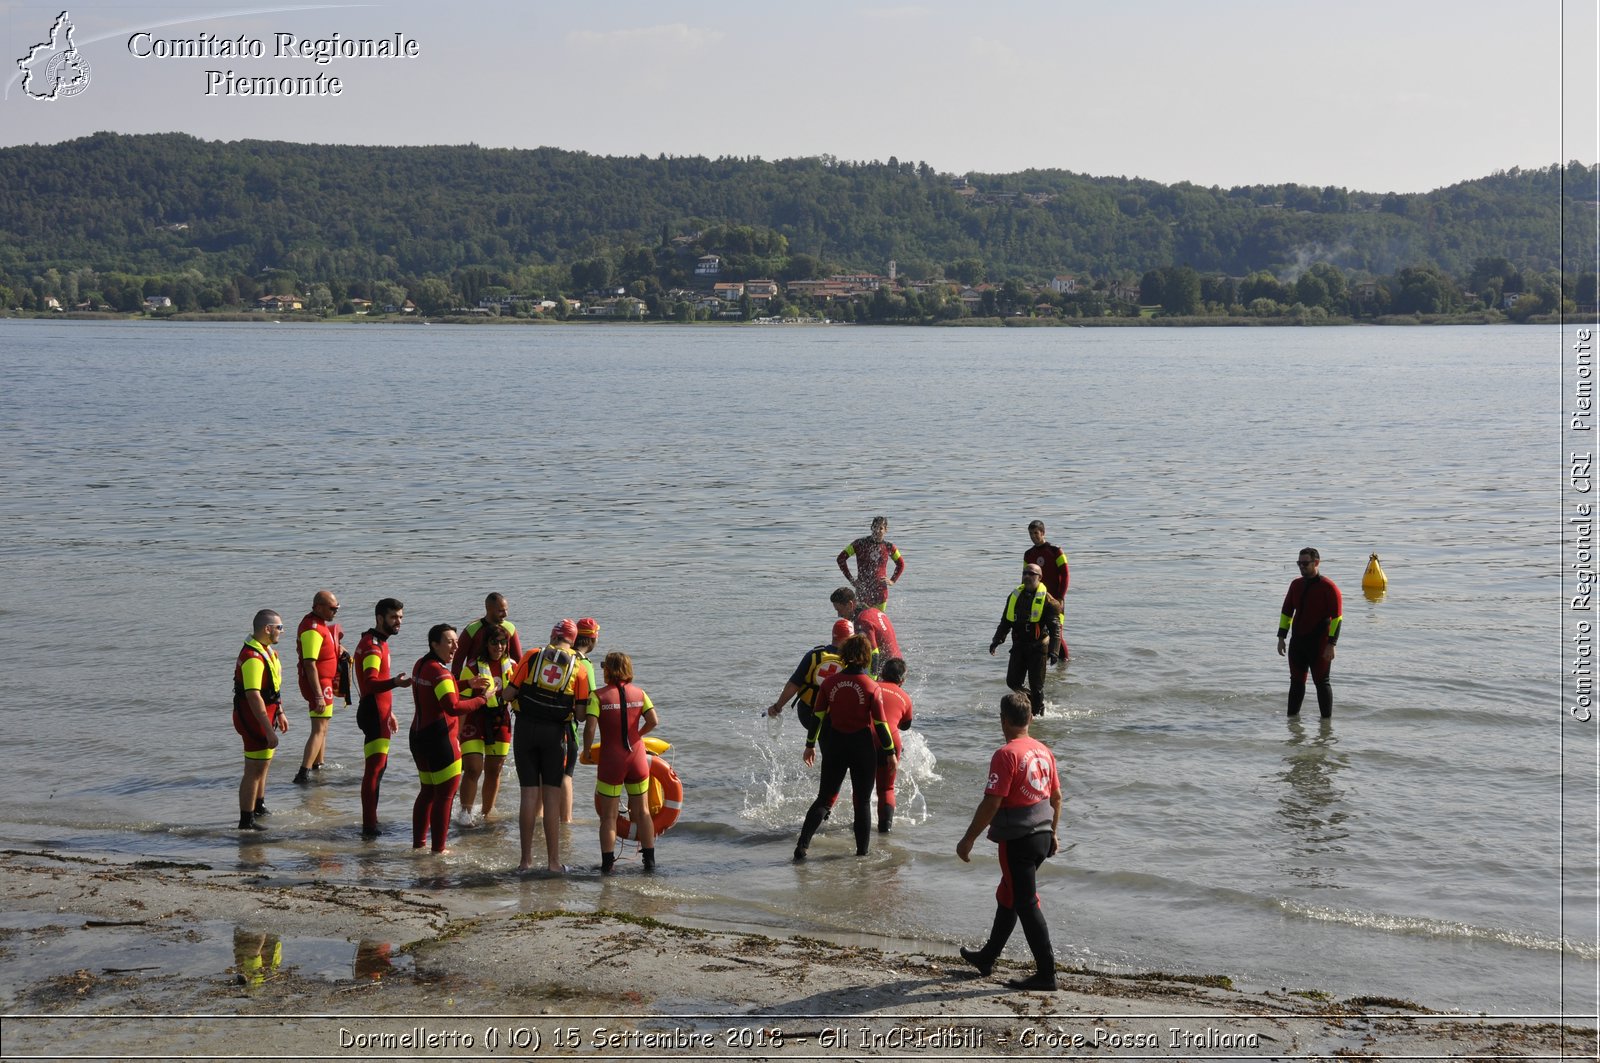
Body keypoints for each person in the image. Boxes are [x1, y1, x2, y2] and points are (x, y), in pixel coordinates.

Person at [956, 690, 1062, 992]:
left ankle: (1046, 974)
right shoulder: (1044, 750)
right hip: (1041, 835)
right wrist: (1053, 832)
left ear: (1003, 720)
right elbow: (1056, 797)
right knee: (1009, 895)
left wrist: (968, 839)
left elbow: (992, 802)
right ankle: (987, 957)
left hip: (1018, 840)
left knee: (1026, 903)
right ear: (1029, 719)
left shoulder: (1006, 754)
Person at [793, 634, 897, 861]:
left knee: (824, 798)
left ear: (844, 655)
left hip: (834, 745)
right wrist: (889, 752)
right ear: (867, 657)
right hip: (862, 748)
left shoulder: (829, 683)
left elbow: (817, 717)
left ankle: (802, 847)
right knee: (862, 802)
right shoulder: (871, 686)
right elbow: (880, 724)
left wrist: (810, 746)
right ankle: (862, 855)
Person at [506, 619, 593, 873]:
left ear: (553, 636)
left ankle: (525, 861)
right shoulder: (581, 668)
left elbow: (509, 695)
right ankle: (554, 863)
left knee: (528, 795)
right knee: (552, 798)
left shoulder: (532, 655)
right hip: (555, 735)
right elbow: (579, 714)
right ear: (573, 640)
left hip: (525, 731)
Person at [408, 623, 491, 853]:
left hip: (418, 738)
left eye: (456, 641)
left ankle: (418, 845)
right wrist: (483, 698)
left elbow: (440, 689)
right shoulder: (442, 672)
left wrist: (467, 683)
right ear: (434, 644)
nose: (456, 646)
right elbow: (453, 707)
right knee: (445, 795)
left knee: (427, 791)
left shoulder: (422, 665)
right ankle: (439, 850)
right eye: (449, 641)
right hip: (440, 740)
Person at [582, 651, 660, 874]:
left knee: (609, 816)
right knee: (643, 812)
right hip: (636, 757)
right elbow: (654, 720)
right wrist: (637, 734)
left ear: (608, 669)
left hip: (612, 760)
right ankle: (650, 862)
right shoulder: (640, 693)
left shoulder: (597, 696)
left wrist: (587, 750)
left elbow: (590, 727)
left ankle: (608, 866)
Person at [354, 598, 413, 838]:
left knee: (378, 769)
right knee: (375, 771)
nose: (398, 621)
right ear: (380, 618)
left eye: (400, 617)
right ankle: (369, 827)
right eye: (393, 617)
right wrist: (396, 684)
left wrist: (391, 713)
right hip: (373, 714)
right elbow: (370, 682)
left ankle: (372, 820)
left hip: (378, 712)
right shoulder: (373, 646)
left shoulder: (377, 641)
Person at [233, 609, 289, 830]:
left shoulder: (268, 652)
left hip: (268, 714)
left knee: (263, 766)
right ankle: (246, 821)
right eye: (279, 628)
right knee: (253, 770)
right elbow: (253, 695)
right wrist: (268, 729)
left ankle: (259, 806)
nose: (281, 632)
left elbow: (273, 688)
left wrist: (281, 712)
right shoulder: (253, 658)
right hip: (254, 719)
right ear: (267, 629)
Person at [456, 622, 514, 827]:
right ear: (485, 644)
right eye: (494, 643)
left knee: (494, 769)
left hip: (501, 720)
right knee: (473, 768)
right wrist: (456, 734)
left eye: (503, 643)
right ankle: (465, 813)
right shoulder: (471, 668)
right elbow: (461, 703)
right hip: (474, 719)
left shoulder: (513, 667)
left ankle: (487, 814)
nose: (499, 647)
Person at [1277, 547, 1343, 718]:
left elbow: (1337, 618)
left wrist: (1331, 644)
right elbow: (1286, 612)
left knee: (1322, 683)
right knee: (1296, 683)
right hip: (1298, 643)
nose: (1301, 567)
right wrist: (1281, 637)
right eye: (1299, 563)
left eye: (1305, 563)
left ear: (1316, 563)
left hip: (1319, 645)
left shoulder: (1328, 587)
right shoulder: (1296, 585)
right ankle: (1292, 726)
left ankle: (1326, 728)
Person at [989, 564, 1062, 717]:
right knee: (1012, 682)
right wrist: (997, 640)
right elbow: (1005, 622)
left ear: (1040, 577)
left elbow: (1055, 629)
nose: (1027, 576)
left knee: (1037, 687)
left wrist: (1054, 652)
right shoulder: (1014, 597)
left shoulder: (1049, 602)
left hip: (1038, 648)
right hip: (1019, 646)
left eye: (1032, 574)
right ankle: (1032, 703)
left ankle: (1037, 714)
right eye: (1024, 573)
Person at [293, 589, 346, 785]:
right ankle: (303, 773)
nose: (335, 612)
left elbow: (324, 647)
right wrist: (318, 696)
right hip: (319, 684)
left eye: (337, 608)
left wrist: (338, 649)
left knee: (324, 727)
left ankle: (318, 765)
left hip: (326, 682)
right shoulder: (312, 629)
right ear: (318, 607)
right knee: (319, 728)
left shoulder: (320, 625)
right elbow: (309, 663)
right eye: (332, 608)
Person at [765, 618, 854, 733]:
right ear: (851, 639)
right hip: (837, 715)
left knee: (822, 738)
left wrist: (777, 707)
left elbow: (793, 684)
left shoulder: (813, 655)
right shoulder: (853, 660)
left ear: (833, 636)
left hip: (808, 713)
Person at [874, 656, 915, 833]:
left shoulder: (871, 686)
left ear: (882, 673)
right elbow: (905, 725)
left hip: (865, 738)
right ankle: (885, 831)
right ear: (903, 680)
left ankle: (859, 827)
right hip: (891, 741)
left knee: (862, 786)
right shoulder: (905, 697)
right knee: (886, 788)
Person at [1024, 519, 1070, 661]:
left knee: (1057, 633)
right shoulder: (1028, 554)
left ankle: (1064, 664)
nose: (1033, 536)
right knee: (1037, 632)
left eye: (1036, 533)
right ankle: (1040, 661)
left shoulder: (1056, 551)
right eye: (1030, 533)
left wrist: (1060, 597)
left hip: (1055, 599)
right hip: (1037, 600)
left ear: (1043, 533)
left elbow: (1065, 574)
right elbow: (1025, 577)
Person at [836, 516, 906, 610]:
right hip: (863, 591)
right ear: (871, 527)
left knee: (878, 622)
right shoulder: (859, 544)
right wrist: (851, 580)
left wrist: (892, 580)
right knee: (861, 620)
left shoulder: (889, 547)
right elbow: (841, 559)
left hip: (880, 592)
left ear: (886, 530)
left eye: (880, 528)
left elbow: (901, 564)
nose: (877, 530)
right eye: (875, 527)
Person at [830, 586, 900, 677]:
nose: (839, 615)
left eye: (839, 610)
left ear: (850, 605)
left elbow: (874, 654)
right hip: (897, 666)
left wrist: (871, 681)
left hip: (888, 671)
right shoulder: (873, 611)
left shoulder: (862, 621)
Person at [452, 592, 523, 679]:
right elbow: (457, 663)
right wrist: (458, 686)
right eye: (501, 611)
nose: (505, 614)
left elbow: (519, 661)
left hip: (504, 682)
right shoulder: (472, 630)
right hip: (476, 683)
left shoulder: (510, 628)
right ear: (488, 609)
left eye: (506, 610)